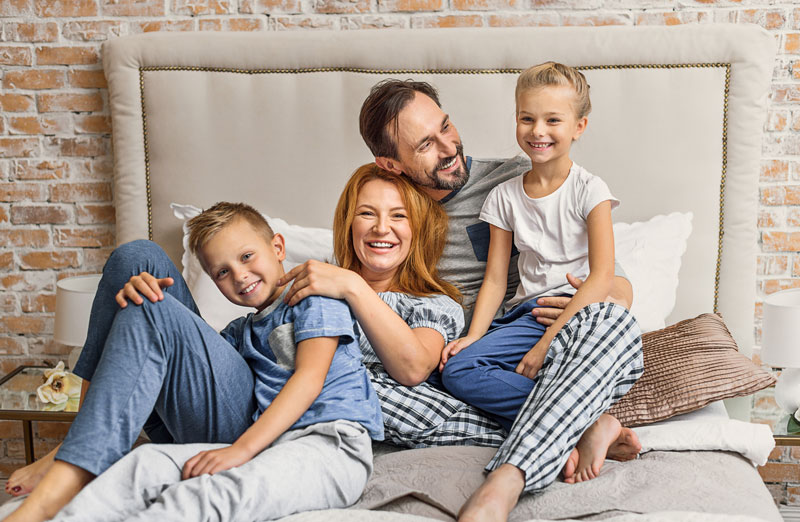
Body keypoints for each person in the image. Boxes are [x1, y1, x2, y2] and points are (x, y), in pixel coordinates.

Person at [354, 77, 644, 521]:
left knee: (609, 321)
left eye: (446, 126)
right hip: (468, 360)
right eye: (426, 145)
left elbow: (615, 286)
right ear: (391, 164)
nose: (449, 147)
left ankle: (507, 481)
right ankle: (583, 422)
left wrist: (571, 310)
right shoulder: (388, 212)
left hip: (553, 327)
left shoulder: (518, 179)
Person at [3, 202, 383, 522]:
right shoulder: (237, 332)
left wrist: (241, 451)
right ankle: (76, 448)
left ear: (278, 247)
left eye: (247, 256)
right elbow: (186, 366)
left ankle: (69, 473)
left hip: (276, 436)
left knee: (153, 312)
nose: (240, 275)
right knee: (136, 259)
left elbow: (310, 379)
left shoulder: (313, 297)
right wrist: (139, 305)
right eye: (222, 272)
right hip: (239, 422)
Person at [439, 62, 633, 484]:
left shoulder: (590, 190)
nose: (537, 130)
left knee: (491, 370)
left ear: (579, 126)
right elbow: (494, 279)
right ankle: (588, 423)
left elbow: (601, 276)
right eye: (527, 118)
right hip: (525, 315)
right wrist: (474, 335)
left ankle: (571, 421)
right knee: (457, 370)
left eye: (552, 120)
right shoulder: (503, 197)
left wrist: (549, 339)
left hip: (577, 314)